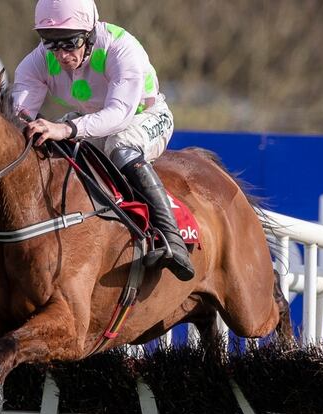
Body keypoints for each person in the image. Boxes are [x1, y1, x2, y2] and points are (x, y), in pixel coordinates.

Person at [14, 0, 194, 281]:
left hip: (142, 116)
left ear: (89, 34)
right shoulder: (37, 61)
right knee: (47, 145)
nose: (61, 55)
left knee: (119, 147)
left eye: (70, 43)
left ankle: (171, 238)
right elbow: (20, 115)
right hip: (91, 119)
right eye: (51, 43)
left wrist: (65, 129)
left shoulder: (122, 48)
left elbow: (119, 115)